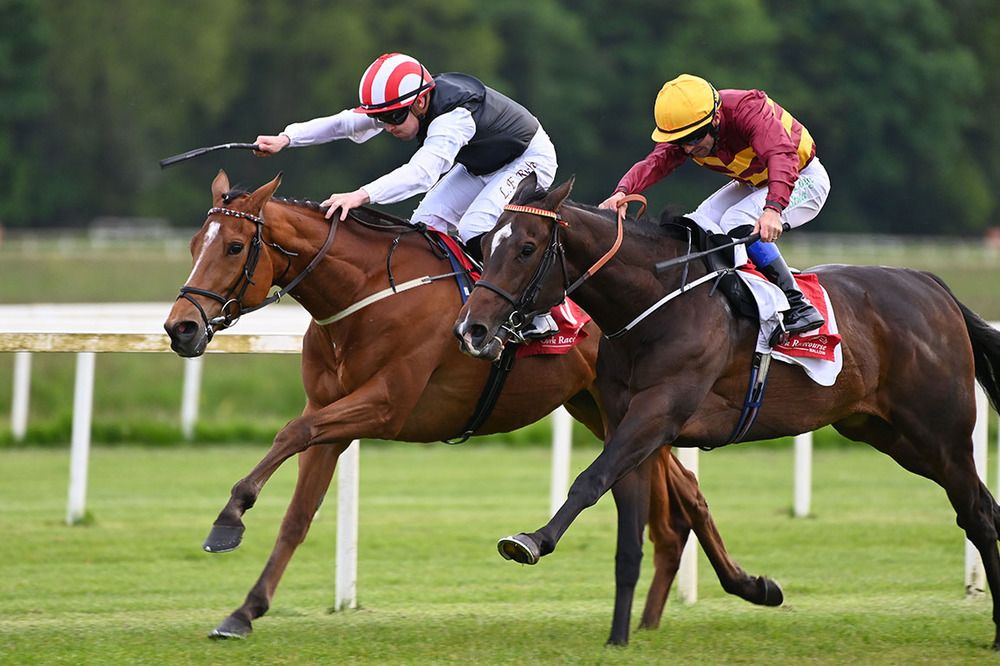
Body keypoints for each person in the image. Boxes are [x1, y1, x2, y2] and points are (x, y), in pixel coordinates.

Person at [254, 52, 558, 337]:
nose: (387, 126)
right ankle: (446, 306)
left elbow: (422, 174)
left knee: (474, 226)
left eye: (395, 118)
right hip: (483, 165)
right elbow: (345, 122)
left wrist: (360, 195)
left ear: (422, 101)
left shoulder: (453, 117)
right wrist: (286, 138)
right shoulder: (401, 102)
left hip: (528, 158)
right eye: (382, 118)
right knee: (425, 225)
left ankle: (534, 312)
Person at [599, 73, 829, 340]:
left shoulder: (748, 109)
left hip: (801, 178)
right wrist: (623, 191)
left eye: (694, 138)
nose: (687, 148)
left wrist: (773, 209)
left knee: (735, 219)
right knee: (699, 222)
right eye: (679, 141)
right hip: (756, 183)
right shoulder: (688, 129)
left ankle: (797, 305)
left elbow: (782, 156)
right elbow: (656, 161)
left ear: (716, 119)